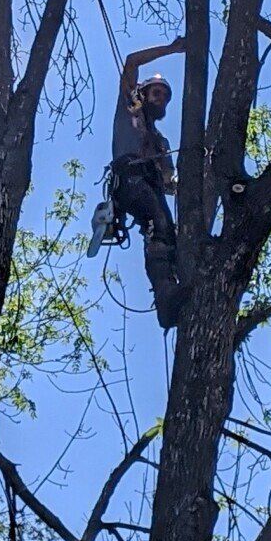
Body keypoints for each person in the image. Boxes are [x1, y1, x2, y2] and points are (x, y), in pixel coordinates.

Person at [88, 36, 187, 328]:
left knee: (165, 232)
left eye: (164, 97)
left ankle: (170, 287)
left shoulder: (161, 142)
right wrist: (172, 49)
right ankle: (166, 298)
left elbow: (169, 184)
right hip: (129, 178)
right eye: (156, 93)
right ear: (143, 94)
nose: (160, 99)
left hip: (151, 188)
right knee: (158, 220)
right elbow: (131, 61)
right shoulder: (128, 109)